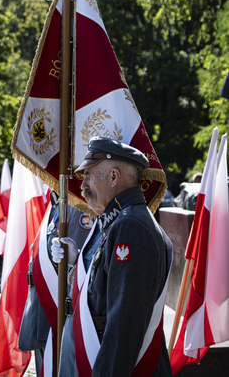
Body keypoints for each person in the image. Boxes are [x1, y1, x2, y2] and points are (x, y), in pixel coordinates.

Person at [52, 137, 173, 377]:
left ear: (114, 177)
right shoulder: (119, 221)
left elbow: (124, 323)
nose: (82, 186)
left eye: (88, 176)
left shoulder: (130, 226)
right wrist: (78, 263)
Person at [18, 190, 94, 377]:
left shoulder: (78, 203)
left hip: (60, 312)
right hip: (43, 311)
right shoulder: (57, 198)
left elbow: (80, 266)